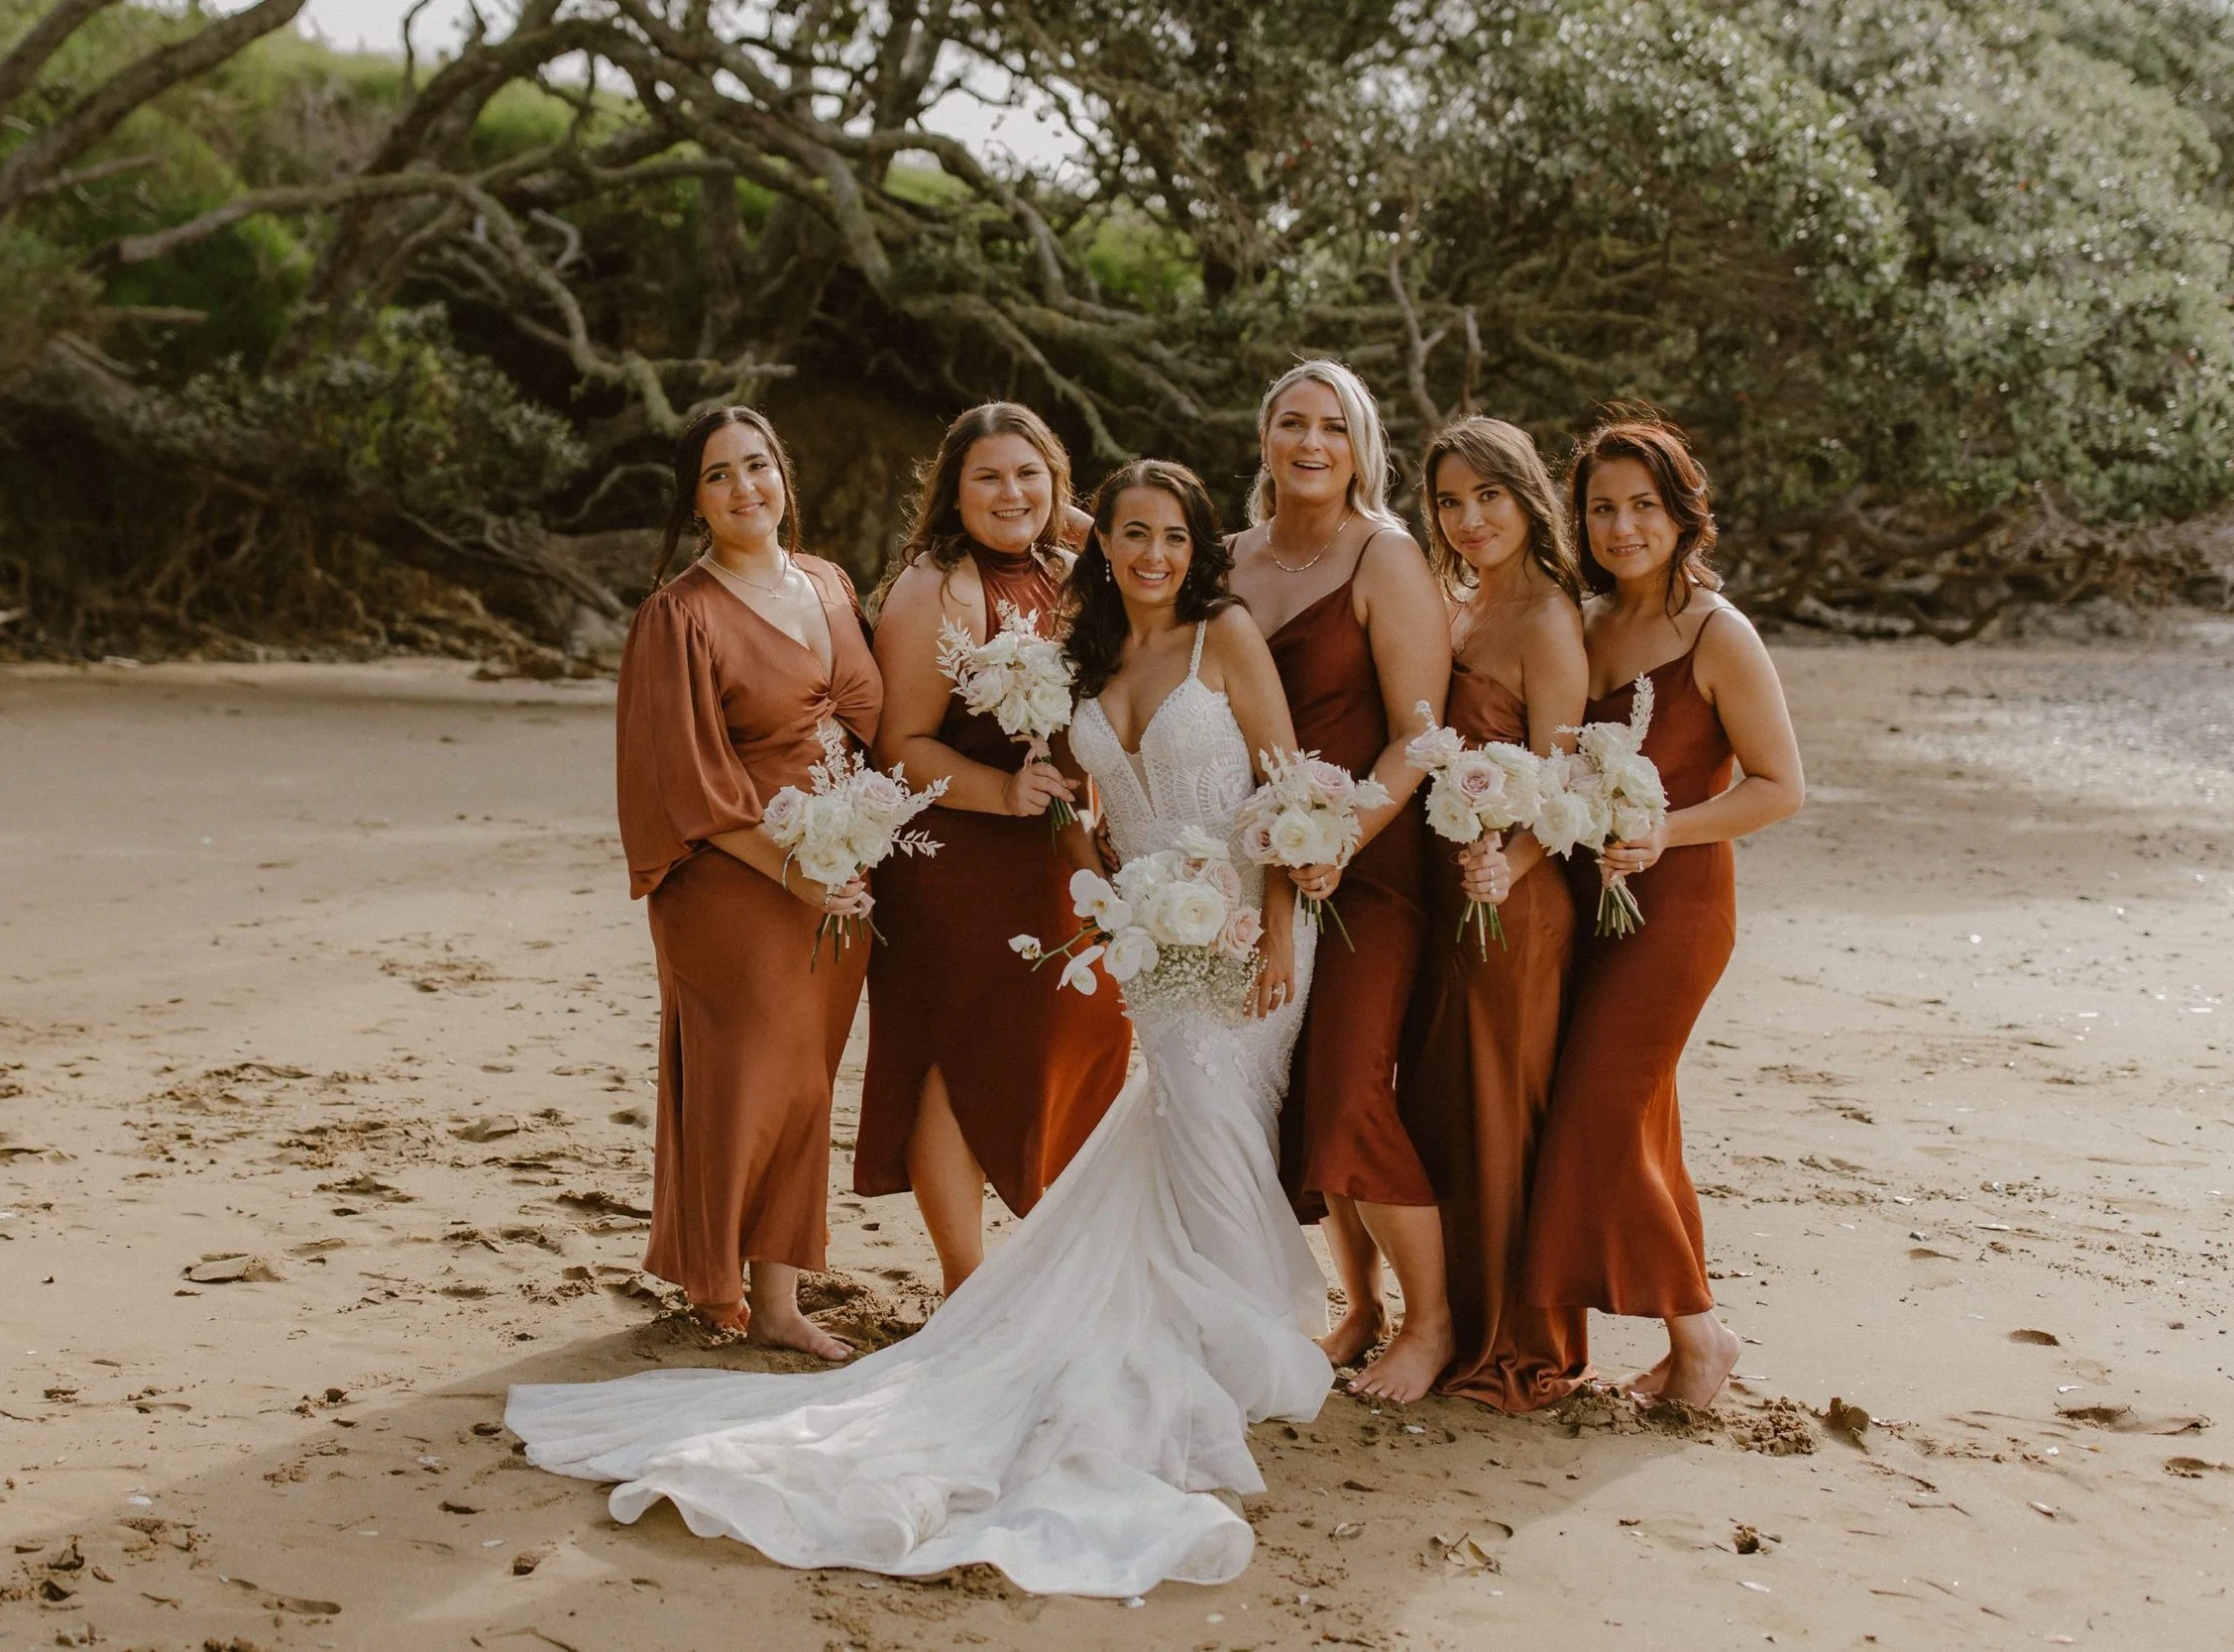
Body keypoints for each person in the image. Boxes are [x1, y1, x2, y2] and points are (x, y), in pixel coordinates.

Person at [505, 459, 1332, 1597]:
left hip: (1247, 928)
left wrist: (1278, 920)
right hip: (1149, 938)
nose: (1151, 554)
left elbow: (1283, 792)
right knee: (1186, 1118)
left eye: (1173, 537)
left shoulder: (1224, 634)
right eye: (1132, 535)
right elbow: (1066, 801)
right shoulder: (1080, 649)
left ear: (1199, 548)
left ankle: (1234, 1330)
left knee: (1213, 1119)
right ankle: (1231, 1338)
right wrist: (1103, 889)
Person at [1520, 412, 1805, 1408]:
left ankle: (1699, 1334)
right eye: (1601, 508)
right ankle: (1696, 1335)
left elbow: (1779, 786)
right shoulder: (1585, 623)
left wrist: (1662, 832)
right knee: (1641, 1122)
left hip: (1678, 905)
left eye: (1642, 505)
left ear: (1682, 513)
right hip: (1587, 906)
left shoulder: (1717, 634)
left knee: (1599, 1111)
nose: (1621, 526)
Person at [613, 405, 882, 1357]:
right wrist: (790, 870)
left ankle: (775, 1297)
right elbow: (678, 780)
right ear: (694, 501)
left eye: (757, 466)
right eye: (718, 475)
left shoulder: (831, 584)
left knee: (805, 1083)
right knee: (748, 1082)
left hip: (839, 873)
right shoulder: (676, 615)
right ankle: (727, 1285)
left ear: (784, 474)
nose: (744, 489)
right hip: (735, 879)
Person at [856, 402, 1131, 1291]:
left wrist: (1068, 516)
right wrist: (1005, 793)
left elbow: (1151, 539)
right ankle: (965, 1281)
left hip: (1056, 849)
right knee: (955, 1055)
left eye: (1029, 473)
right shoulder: (938, 583)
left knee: (1071, 1034)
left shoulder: (1073, 567)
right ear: (953, 490)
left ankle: (1052, 1255)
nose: (1010, 493)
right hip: (955, 852)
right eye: (987, 477)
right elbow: (900, 743)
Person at [1228, 360, 1456, 1402]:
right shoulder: (1228, 560)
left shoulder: (1385, 555)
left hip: (1373, 868)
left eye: (1333, 425)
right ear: (1265, 437)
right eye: (1291, 422)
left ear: (1361, 446)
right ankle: (1356, 1305)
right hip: (1255, 866)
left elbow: (1418, 737)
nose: (1310, 441)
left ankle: (1431, 1321)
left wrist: (1340, 840)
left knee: (1352, 1083)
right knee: (1292, 1097)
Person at [1398, 416, 1592, 1412]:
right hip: (1446, 892)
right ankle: (1450, 1321)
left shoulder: (1551, 621)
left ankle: (1516, 1342)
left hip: (1511, 902)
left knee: (1501, 1109)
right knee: (1447, 1104)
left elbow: (1563, 785)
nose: (1469, 519)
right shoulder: (1459, 607)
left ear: (1526, 497)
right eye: (1448, 501)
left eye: (1489, 497)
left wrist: (1504, 866)